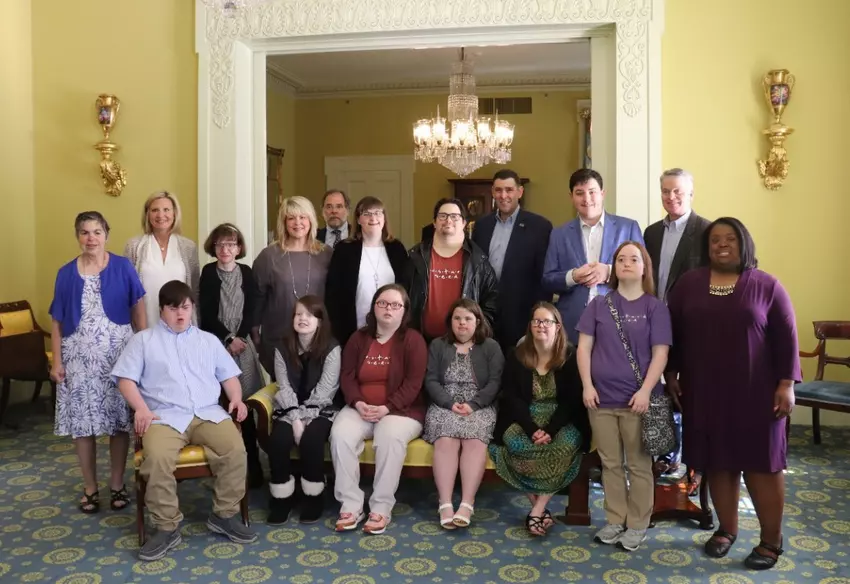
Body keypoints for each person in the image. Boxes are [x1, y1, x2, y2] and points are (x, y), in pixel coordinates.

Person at [666, 217, 800, 570]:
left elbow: (787, 336)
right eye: (715, 239)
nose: (722, 244)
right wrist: (670, 372)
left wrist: (787, 384)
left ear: (744, 243)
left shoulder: (767, 286)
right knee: (718, 462)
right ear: (706, 247)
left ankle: (771, 540)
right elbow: (672, 331)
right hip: (705, 391)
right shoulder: (689, 284)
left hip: (759, 395)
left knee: (762, 466)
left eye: (730, 238)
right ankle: (727, 529)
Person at [112, 280, 257, 561]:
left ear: (192, 309)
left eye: (185, 308)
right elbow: (125, 380)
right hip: (164, 417)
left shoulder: (208, 341)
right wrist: (141, 409)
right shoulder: (143, 341)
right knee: (157, 458)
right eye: (173, 308)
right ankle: (166, 527)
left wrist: (237, 399)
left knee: (235, 449)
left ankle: (225, 515)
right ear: (161, 310)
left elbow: (228, 376)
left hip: (207, 412)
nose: (180, 314)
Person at [576, 241, 671, 552]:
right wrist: (587, 385)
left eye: (634, 259)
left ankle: (638, 524)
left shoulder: (655, 307)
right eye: (620, 259)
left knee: (640, 465)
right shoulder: (598, 305)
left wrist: (645, 391)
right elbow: (584, 348)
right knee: (610, 464)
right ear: (614, 267)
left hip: (638, 401)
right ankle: (615, 519)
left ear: (644, 267)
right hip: (600, 399)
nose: (627, 263)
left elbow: (661, 354)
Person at [49, 211, 146, 514]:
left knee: (118, 423)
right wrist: (57, 361)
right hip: (77, 359)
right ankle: (90, 487)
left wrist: (144, 350)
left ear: (106, 235)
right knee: (83, 425)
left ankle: (117, 483)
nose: (91, 238)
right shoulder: (65, 273)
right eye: (84, 232)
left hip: (118, 355)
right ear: (77, 236)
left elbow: (138, 308)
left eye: (97, 232)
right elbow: (56, 321)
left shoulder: (123, 266)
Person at [330, 284, 427, 535]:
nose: (388, 309)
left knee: (389, 437)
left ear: (404, 310)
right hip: (360, 407)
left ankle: (381, 507)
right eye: (382, 303)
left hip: (401, 410)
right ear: (374, 306)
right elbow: (347, 376)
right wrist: (358, 402)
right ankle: (351, 505)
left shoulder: (413, 340)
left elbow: (414, 383)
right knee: (340, 435)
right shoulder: (359, 338)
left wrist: (387, 407)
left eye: (395, 305)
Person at [489, 302, 590, 537]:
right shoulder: (517, 355)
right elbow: (512, 397)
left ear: (558, 327)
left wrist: (550, 430)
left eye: (547, 321)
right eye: (537, 321)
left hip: (561, 418)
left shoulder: (571, 356)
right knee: (517, 446)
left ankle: (536, 510)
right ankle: (540, 511)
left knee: (562, 447)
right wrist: (532, 429)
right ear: (530, 325)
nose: (541, 326)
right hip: (523, 416)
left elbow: (571, 400)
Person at [642, 168, 711, 483]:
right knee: (657, 389)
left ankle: (697, 465)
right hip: (655, 323)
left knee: (691, 393)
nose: (671, 197)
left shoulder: (707, 232)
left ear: (691, 194)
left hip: (692, 326)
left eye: (678, 191)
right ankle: (665, 456)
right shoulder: (651, 233)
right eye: (666, 191)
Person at [422, 299, 504, 529]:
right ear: (450, 321)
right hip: (444, 404)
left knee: (474, 440)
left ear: (477, 322)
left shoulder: (491, 347)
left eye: (468, 318)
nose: (462, 323)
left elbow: (495, 382)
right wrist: (449, 403)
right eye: (457, 318)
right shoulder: (438, 345)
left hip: (479, 405)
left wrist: (473, 404)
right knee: (446, 439)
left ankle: (467, 503)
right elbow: (431, 380)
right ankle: (445, 503)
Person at [542, 169, 644, 343]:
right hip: (573, 325)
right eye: (579, 193)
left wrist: (610, 272)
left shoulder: (627, 227)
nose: (586, 199)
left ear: (602, 193)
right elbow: (548, 280)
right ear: (571, 197)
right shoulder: (559, 234)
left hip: (620, 320)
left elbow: (644, 272)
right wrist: (573, 276)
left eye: (592, 192)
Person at [199, 223, 265, 489]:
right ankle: (224, 471)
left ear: (239, 248)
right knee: (219, 406)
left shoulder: (246, 272)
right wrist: (227, 339)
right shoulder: (208, 272)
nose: (225, 249)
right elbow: (206, 314)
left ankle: (254, 469)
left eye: (230, 244)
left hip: (243, 344)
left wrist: (240, 338)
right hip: (216, 345)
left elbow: (253, 309)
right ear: (213, 247)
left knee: (245, 405)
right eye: (220, 244)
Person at [267, 295, 341, 525]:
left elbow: (326, 390)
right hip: (290, 408)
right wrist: (296, 419)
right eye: (298, 314)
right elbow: (283, 386)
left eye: (309, 315)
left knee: (311, 439)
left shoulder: (332, 347)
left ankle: (314, 497)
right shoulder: (282, 347)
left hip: (321, 408)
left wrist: (307, 418)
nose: (303, 319)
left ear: (320, 320)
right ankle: (282, 498)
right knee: (278, 440)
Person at [472, 169, 553, 351]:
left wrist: (538, 316)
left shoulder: (540, 227)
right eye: (498, 190)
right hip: (485, 314)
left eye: (509, 190)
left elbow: (544, 277)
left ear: (520, 192)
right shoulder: (482, 226)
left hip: (522, 315)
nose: (503, 196)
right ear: (492, 192)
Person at [253, 196, 333, 375]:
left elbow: (335, 295)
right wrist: (254, 331)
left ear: (311, 220)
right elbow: (257, 296)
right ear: (284, 222)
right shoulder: (269, 256)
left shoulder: (326, 254)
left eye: (303, 217)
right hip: (278, 335)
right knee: (282, 388)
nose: (298, 223)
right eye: (291, 218)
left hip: (318, 337)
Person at [406, 198, 498, 342]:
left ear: (464, 223)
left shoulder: (478, 261)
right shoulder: (415, 257)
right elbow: (402, 299)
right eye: (443, 216)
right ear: (434, 222)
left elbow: (491, 304)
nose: (448, 220)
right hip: (421, 342)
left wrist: (475, 333)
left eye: (454, 216)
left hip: (464, 344)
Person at [325, 196, 410, 347]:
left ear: (384, 218)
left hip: (393, 329)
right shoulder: (345, 250)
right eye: (367, 214)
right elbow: (333, 293)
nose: (373, 218)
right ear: (358, 219)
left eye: (378, 213)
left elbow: (407, 288)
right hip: (353, 328)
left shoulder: (396, 248)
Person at [124, 191, 200, 328]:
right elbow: (127, 290)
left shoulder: (189, 247)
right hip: (145, 325)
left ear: (174, 213)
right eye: (155, 210)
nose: (160, 215)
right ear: (147, 214)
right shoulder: (134, 246)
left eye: (166, 210)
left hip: (181, 327)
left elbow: (194, 290)